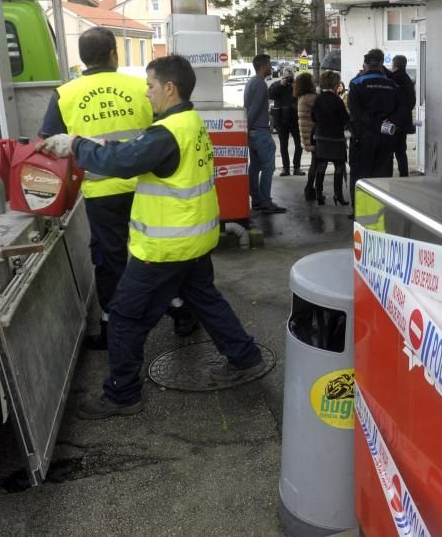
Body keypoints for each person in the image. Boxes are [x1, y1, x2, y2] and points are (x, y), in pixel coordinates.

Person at [37, 55, 266, 419]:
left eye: (150, 86)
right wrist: (92, 143)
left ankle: (122, 394)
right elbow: (132, 151)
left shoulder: (167, 133)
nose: (146, 93)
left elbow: (123, 162)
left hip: (166, 248)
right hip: (194, 239)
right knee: (204, 298)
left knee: (125, 316)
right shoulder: (188, 122)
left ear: (169, 88)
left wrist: (75, 145)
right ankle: (244, 355)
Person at [37, 27, 195, 349]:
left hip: (101, 192)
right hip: (147, 189)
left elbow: (50, 141)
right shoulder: (142, 87)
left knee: (110, 258)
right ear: (114, 54)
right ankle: (182, 311)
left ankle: (112, 326)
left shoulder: (65, 93)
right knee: (160, 253)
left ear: (82, 59)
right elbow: (165, 128)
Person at [348, 49, 404, 205]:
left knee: (360, 175)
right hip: (386, 138)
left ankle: (360, 212)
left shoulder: (356, 83)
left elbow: (356, 113)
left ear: (365, 65)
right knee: (382, 176)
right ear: (381, 65)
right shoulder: (393, 85)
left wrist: (375, 124)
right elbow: (402, 110)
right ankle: (380, 209)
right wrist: (387, 125)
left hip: (363, 138)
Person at [244, 54, 285, 214]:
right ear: (263, 66)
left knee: (254, 166)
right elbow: (254, 110)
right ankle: (266, 201)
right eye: (269, 65)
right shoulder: (260, 84)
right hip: (260, 131)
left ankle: (256, 200)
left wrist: (247, 130)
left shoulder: (250, 83)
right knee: (268, 167)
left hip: (252, 133)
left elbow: (248, 108)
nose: (271, 68)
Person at [312, 70, 351, 206]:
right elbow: (345, 119)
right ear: (334, 84)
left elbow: (313, 117)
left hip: (321, 137)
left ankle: (319, 194)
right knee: (339, 167)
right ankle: (338, 195)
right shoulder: (336, 100)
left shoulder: (318, 99)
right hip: (336, 138)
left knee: (321, 166)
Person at [269, 67, 303, 176]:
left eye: (290, 76)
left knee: (299, 144)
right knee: (283, 145)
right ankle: (286, 168)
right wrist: (280, 84)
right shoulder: (276, 84)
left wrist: (295, 86)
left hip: (295, 118)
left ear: (294, 76)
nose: (288, 79)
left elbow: (303, 95)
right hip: (281, 119)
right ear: (282, 76)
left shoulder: (297, 84)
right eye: (286, 77)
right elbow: (270, 95)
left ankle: (297, 167)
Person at [388, 55, 416, 177]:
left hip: (393, 122)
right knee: (401, 152)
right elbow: (412, 102)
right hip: (404, 122)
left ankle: (387, 175)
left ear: (394, 65)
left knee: (389, 152)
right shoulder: (408, 79)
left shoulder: (393, 79)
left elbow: (390, 101)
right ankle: (404, 175)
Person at [295, 72, 320, 202]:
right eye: (312, 80)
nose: (314, 82)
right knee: (316, 163)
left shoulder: (301, 97)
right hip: (313, 135)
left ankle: (310, 188)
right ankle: (310, 188)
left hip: (307, 135)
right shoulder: (311, 97)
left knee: (315, 162)